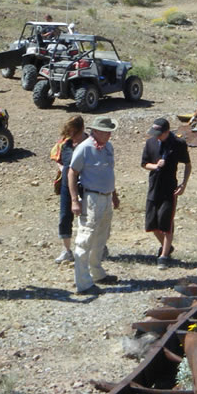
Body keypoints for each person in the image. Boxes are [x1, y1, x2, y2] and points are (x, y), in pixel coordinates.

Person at [67, 115, 121, 294]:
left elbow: (109, 171)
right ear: (95, 131)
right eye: (106, 132)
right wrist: (75, 200)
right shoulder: (84, 148)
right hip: (91, 198)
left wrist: (114, 194)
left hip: (106, 197)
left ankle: (96, 272)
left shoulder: (108, 147)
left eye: (110, 132)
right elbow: (72, 173)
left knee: (101, 237)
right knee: (86, 238)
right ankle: (83, 283)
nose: (109, 135)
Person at [141, 117, 191, 265]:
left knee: (166, 223)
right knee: (152, 224)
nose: (156, 136)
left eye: (160, 134)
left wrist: (183, 184)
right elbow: (144, 164)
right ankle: (167, 247)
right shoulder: (150, 143)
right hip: (153, 188)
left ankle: (163, 257)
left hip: (170, 189)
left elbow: (188, 165)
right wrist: (155, 166)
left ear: (167, 132)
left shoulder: (178, 144)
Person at [51, 115, 87, 264]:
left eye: (74, 133)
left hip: (86, 185)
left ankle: (95, 247)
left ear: (81, 129)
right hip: (67, 185)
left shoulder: (91, 144)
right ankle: (66, 251)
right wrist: (65, 169)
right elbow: (60, 160)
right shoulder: (66, 144)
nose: (72, 137)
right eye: (70, 133)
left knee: (89, 218)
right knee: (65, 216)